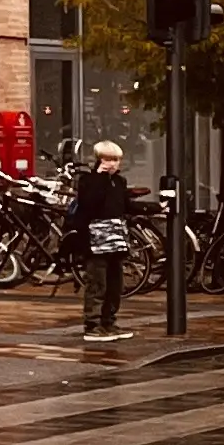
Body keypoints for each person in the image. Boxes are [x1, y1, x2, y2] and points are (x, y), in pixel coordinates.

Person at [69, 139, 134, 341]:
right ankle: (93, 324)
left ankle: (109, 321)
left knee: (115, 283)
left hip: (115, 239)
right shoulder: (88, 181)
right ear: (98, 160)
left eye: (115, 160)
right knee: (97, 282)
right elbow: (90, 204)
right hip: (95, 240)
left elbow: (126, 206)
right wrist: (101, 178)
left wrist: (157, 208)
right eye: (108, 159)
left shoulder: (119, 182)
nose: (112, 164)